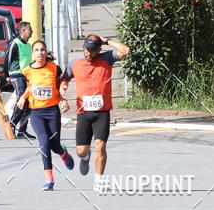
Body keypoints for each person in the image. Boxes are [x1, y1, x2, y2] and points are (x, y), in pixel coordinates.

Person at [59, 33, 130, 192]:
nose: (88, 53)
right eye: (86, 49)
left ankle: (99, 180)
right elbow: (64, 79)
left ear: (99, 50)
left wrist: (106, 41)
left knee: (100, 146)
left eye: (92, 51)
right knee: (81, 151)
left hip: (102, 112)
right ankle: (85, 157)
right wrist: (63, 90)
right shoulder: (74, 62)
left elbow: (125, 50)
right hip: (83, 113)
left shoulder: (107, 58)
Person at [17, 40, 74, 190]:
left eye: (42, 50)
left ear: (46, 51)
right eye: (36, 50)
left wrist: (64, 100)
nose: (40, 53)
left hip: (52, 111)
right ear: (33, 53)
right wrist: (23, 98)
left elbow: (59, 86)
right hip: (36, 112)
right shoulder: (27, 70)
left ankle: (63, 153)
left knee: (54, 144)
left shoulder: (54, 69)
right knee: (44, 143)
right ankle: (49, 179)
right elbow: (30, 87)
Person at [7, 21, 33, 138]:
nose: (32, 31)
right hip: (16, 74)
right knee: (21, 98)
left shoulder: (28, 45)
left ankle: (22, 130)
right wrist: (6, 74)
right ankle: (12, 124)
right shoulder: (15, 43)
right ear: (23, 31)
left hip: (27, 75)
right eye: (30, 29)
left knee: (28, 101)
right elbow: (7, 59)